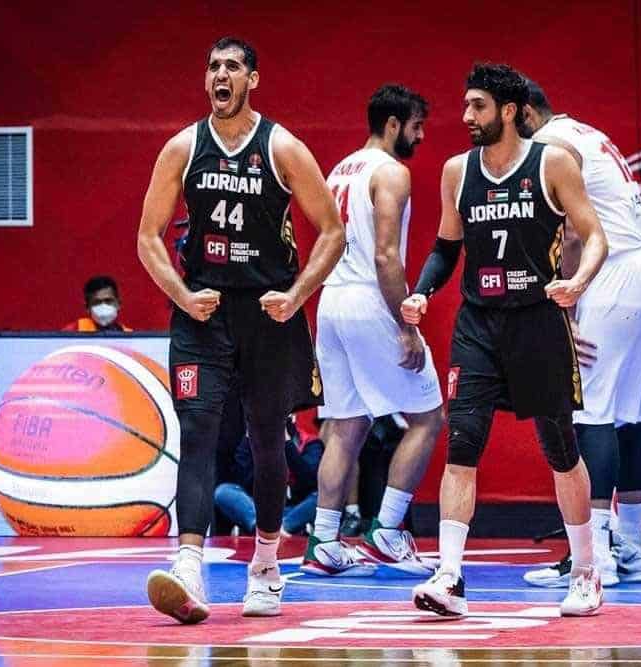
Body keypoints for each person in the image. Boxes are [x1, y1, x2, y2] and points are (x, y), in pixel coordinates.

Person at [137, 36, 345, 622]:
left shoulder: (281, 147)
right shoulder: (183, 148)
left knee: (265, 439)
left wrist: (297, 295)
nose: (219, 75)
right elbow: (148, 237)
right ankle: (188, 566)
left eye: (231, 67)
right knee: (198, 431)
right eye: (212, 67)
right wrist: (182, 296)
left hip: (267, 313)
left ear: (252, 79)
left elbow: (332, 231)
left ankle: (267, 566)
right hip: (202, 313)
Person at [401, 64, 608, 617]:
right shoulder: (456, 171)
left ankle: (587, 572)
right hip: (479, 324)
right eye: (466, 105)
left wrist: (578, 282)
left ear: (509, 111)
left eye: (478, 106)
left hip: (537, 320)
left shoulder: (552, 163)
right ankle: (450, 578)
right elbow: (446, 248)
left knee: (560, 448)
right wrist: (421, 292)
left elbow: (595, 236)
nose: (466, 116)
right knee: (462, 444)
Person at [517, 78, 641, 589]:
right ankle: (633, 549)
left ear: (527, 115)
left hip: (615, 271)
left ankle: (596, 556)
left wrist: (566, 310)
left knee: (592, 413)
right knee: (628, 416)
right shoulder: (589, 133)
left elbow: (573, 235)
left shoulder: (548, 145)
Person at [301, 84, 444, 577]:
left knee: (348, 424)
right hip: (367, 299)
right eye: (416, 126)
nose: (420, 136)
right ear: (393, 124)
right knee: (428, 417)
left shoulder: (340, 170)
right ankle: (387, 530)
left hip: (332, 302)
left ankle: (323, 540)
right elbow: (386, 256)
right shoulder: (391, 172)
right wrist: (407, 326)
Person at [215, 416, 323, 536]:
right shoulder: (253, 440)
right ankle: (262, 527)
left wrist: (287, 444)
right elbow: (241, 479)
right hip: (258, 510)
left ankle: (280, 528)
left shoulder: (311, 443)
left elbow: (309, 479)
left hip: (294, 510)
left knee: (321, 497)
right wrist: (249, 440)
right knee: (223, 491)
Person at [61, 275, 133, 332]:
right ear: (87, 307)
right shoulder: (73, 331)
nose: (103, 306)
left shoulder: (130, 337)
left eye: (108, 301)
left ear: (119, 304)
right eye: (97, 302)